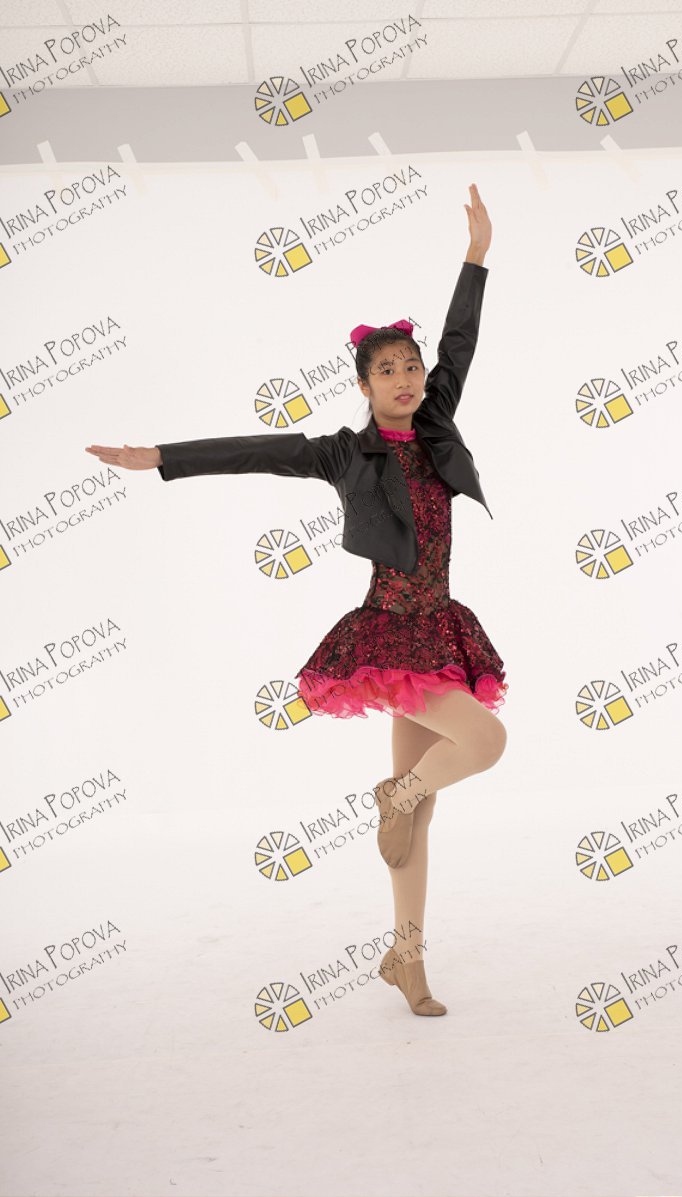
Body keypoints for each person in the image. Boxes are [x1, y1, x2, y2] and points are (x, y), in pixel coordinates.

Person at [85, 183, 508, 1019]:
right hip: (387, 634)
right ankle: (398, 796)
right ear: (364, 384)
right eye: (387, 370)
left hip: (443, 625)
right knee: (482, 744)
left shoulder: (437, 423)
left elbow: (460, 340)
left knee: (420, 818)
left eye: (412, 367)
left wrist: (475, 258)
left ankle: (406, 956)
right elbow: (253, 450)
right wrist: (161, 456)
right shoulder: (342, 453)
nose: (405, 378)